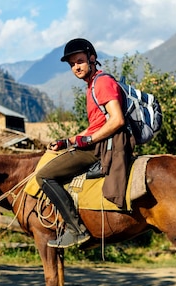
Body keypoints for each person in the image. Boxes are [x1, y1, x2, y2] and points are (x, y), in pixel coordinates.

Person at [36, 38, 135, 248]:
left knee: (44, 175)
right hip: (98, 142)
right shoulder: (92, 85)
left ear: (92, 58)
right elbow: (95, 125)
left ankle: (76, 230)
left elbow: (117, 120)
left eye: (79, 61)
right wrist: (67, 142)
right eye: (72, 64)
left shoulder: (102, 83)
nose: (76, 67)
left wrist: (88, 140)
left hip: (102, 148)